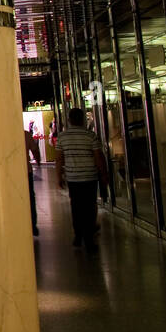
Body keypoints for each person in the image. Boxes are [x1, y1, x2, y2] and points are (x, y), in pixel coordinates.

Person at [56, 107, 109, 251]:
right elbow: (98, 157)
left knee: (76, 207)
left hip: (73, 178)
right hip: (89, 177)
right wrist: (104, 174)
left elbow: (59, 159)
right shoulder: (90, 135)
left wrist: (59, 177)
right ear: (82, 120)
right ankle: (89, 238)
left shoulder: (62, 137)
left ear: (69, 120)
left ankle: (78, 235)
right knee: (90, 207)